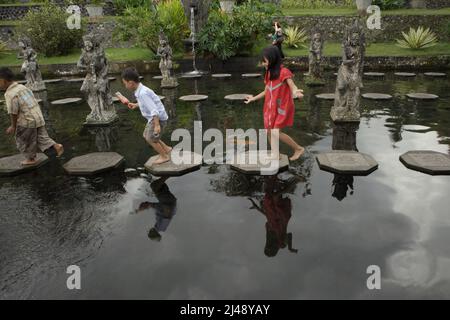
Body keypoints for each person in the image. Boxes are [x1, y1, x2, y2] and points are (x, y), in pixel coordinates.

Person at [245, 46, 305, 161]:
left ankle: (298, 148)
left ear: (273, 59)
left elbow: (292, 86)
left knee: (275, 132)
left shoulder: (284, 72)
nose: (263, 64)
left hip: (283, 106)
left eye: (264, 61)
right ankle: (275, 154)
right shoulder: (268, 74)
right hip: (270, 107)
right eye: (262, 61)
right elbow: (266, 91)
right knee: (268, 130)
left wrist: (295, 91)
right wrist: (253, 98)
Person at [0, 67, 64, 165]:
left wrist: (13, 125)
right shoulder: (22, 87)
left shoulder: (10, 94)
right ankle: (56, 146)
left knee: (23, 140)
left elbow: (13, 112)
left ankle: (30, 159)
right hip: (38, 117)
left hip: (26, 121)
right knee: (42, 138)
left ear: (3, 80)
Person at [120, 67, 172, 165]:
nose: (125, 86)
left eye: (125, 84)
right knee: (147, 135)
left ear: (131, 83)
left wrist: (157, 125)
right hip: (156, 117)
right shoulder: (141, 90)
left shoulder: (142, 93)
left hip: (157, 118)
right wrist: (136, 105)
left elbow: (154, 109)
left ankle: (164, 156)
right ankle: (166, 148)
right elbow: (147, 103)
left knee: (150, 138)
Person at [134, 177, 177, 242]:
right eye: (150, 232)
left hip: (168, 201)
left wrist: (147, 206)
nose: (149, 230)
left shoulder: (158, 225)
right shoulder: (161, 227)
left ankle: (164, 174)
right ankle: (168, 175)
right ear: (153, 233)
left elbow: (158, 209)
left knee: (160, 186)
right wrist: (164, 205)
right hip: (168, 202)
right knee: (154, 186)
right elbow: (167, 215)